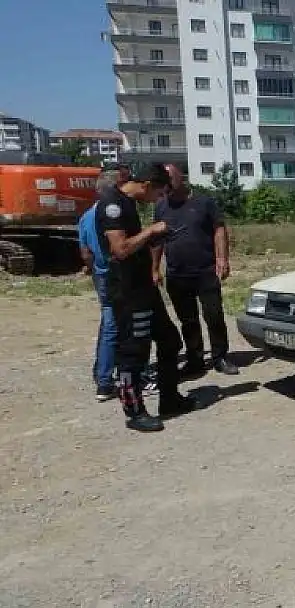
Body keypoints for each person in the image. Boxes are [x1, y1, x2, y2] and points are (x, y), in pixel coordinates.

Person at [96, 162, 197, 432]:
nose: (159, 199)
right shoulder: (112, 204)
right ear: (147, 185)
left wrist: (155, 239)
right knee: (133, 352)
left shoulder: (129, 204)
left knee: (170, 340)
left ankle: (170, 398)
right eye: (159, 193)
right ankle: (135, 411)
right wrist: (152, 231)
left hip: (144, 288)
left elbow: (134, 243)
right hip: (128, 291)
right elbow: (120, 249)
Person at [152, 164, 238, 378]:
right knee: (188, 320)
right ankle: (195, 359)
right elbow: (157, 240)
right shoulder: (161, 206)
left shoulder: (204, 202)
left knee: (214, 315)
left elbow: (219, 229)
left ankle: (220, 357)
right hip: (177, 274)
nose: (167, 184)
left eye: (170, 178)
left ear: (180, 177)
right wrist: (154, 268)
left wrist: (222, 258)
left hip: (205, 271)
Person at [78, 165, 123, 401]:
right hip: (115, 275)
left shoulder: (86, 216)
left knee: (108, 322)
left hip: (100, 274)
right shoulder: (112, 213)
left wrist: (93, 267)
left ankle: (101, 372)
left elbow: (85, 251)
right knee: (115, 325)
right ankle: (106, 381)